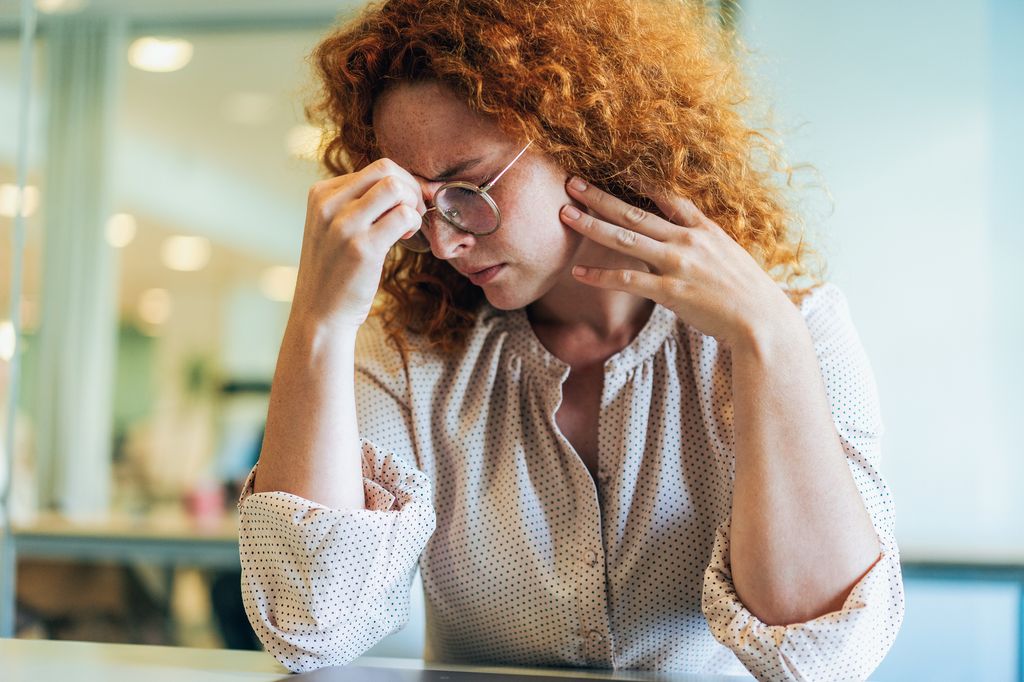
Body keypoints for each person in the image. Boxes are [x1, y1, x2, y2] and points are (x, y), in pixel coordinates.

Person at [237, 1, 905, 679]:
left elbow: (824, 658)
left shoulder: (794, 332)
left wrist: (769, 342)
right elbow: (309, 625)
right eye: (420, 202)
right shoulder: (410, 352)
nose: (444, 240)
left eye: (468, 186)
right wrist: (319, 323)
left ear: (584, 137)